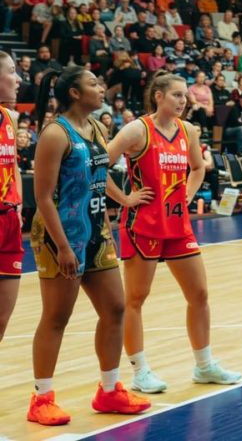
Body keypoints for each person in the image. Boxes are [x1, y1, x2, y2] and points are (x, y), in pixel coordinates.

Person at [28, 66, 152, 425]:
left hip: (96, 230)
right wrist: (64, 247)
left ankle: (109, 390)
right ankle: (41, 398)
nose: (101, 89)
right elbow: (44, 198)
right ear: (74, 94)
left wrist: (124, 199)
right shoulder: (55, 134)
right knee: (56, 317)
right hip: (61, 236)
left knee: (115, 309)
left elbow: (98, 176)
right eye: (93, 84)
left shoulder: (96, 127)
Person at [106, 71, 241, 394]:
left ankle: (204, 365)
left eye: (185, 95)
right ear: (158, 96)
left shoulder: (188, 130)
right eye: (177, 95)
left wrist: (188, 194)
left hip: (178, 223)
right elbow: (96, 165)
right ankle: (140, 370)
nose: (183, 101)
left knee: (199, 295)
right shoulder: (137, 129)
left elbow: (198, 168)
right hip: (144, 224)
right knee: (136, 299)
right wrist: (124, 198)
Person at [0, 52, 25, 362]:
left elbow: (13, 164)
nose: (18, 79)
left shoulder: (10, 118)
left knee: (2, 319)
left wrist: (17, 204)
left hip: (8, 221)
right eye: (10, 71)